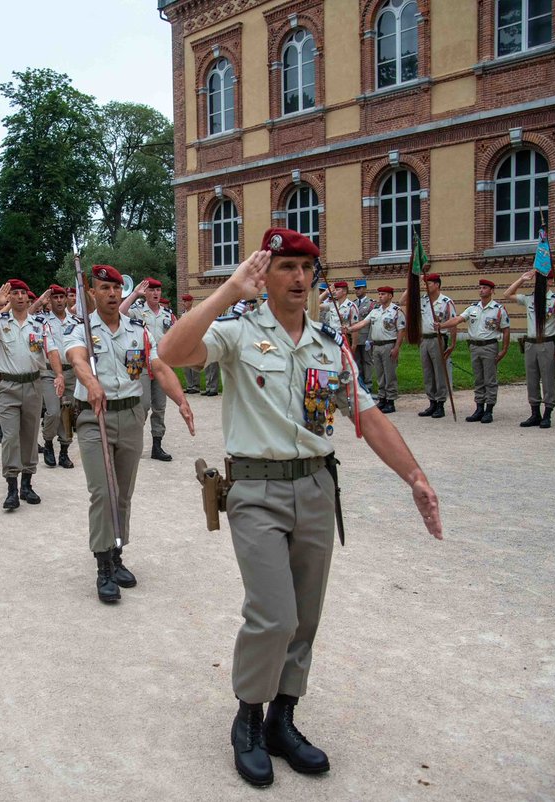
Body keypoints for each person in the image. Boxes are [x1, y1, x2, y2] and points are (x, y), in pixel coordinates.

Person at [156, 228, 442, 788]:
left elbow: (365, 414)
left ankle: (283, 720)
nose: (298, 277)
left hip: (315, 487)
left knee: (305, 616)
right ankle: (248, 718)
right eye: (285, 266)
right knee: (274, 613)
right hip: (256, 491)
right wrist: (228, 292)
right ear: (266, 275)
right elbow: (170, 353)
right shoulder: (238, 332)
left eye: (306, 268)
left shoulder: (328, 344)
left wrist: (414, 475)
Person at [62, 265, 194, 603]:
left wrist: (181, 401)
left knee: (123, 494)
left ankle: (118, 554)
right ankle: (103, 566)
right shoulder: (81, 328)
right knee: (103, 491)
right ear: (91, 293)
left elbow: (159, 366)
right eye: (103, 288)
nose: (110, 294)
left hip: (133, 415)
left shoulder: (138, 330)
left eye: (115, 288)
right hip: (95, 418)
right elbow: (76, 359)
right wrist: (91, 382)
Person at [0, 279, 63, 510]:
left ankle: (27, 483)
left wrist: (58, 374)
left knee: (28, 436)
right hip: (8, 387)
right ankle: (11, 488)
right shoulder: (1, 320)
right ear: (10, 298)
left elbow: (52, 349)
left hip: (33, 385)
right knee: (10, 437)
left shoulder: (39, 323)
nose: (19, 297)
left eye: (22, 293)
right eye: (14, 293)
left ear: (28, 298)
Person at [437, 279, 510, 423]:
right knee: (478, 378)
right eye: (480, 288)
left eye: (485, 288)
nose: (481, 290)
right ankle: (479, 407)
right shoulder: (472, 308)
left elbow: (506, 330)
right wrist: (442, 325)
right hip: (474, 346)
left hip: (489, 345)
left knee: (489, 378)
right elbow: (458, 319)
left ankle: (489, 409)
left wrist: (504, 350)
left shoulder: (498, 309)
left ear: (492, 290)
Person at [121, 278, 178, 461]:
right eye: (151, 290)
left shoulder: (167, 314)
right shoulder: (136, 311)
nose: (155, 293)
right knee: (142, 405)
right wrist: (134, 294)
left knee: (159, 406)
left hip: (161, 362)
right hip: (138, 360)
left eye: (158, 290)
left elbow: (176, 335)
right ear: (145, 293)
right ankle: (132, 441)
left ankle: (157, 445)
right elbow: (120, 313)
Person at [502, 270, 555, 429]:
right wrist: (522, 279)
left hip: (547, 342)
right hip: (530, 344)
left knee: (548, 378)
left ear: (550, 281)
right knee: (532, 378)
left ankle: (548, 413)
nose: (539, 282)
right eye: (537, 279)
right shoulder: (529, 299)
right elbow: (507, 294)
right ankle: (535, 412)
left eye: (542, 279)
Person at [39, 284, 81, 468]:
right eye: (54, 297)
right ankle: (48, 442)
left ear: (66, 298)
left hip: (70, 372)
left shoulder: (75, 321)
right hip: (48, 372)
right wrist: (41, 300)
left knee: (68, 411)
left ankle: (64, 451)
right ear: (50, 300)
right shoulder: (42, 321)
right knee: (54, 411)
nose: (58, 300)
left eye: (61, 297)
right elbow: (27, 315)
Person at [348, 287, 404, 412]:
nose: (380, 296)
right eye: (379, 294)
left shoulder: (396, 311)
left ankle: (391, 400)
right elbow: (363, 323)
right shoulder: (375, 311)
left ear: (390, 296)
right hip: (376, 346)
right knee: (379, 373)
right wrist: (349, 329)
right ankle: (382, 398)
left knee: (389, 373)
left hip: (389, 344)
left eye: (383, 294)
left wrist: (396, 347)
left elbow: (401, 331)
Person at [416, 274, 456, 418]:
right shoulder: (423, 300)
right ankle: (431, 401)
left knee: (439, 372)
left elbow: (453, 323)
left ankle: (440, 403)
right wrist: (416, 281)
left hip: (438, 338)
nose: (426, 286)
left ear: (437, 285)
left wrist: (452, 343)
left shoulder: (446, 302)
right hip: (424, 339)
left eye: (429, 283)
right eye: (425, 283)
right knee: (428, 372)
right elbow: (403, 300)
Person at [351, 278, 375, 389]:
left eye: (359, 288)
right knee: (357, 362)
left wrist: (370, 339)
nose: (357, 291)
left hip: (366, 337)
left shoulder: (371, 304)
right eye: (356, 289)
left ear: (365, 289)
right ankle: (360, 384)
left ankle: (368, 384)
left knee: (367, 361)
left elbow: (372, 323)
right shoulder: (353, 304)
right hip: (356, 338)